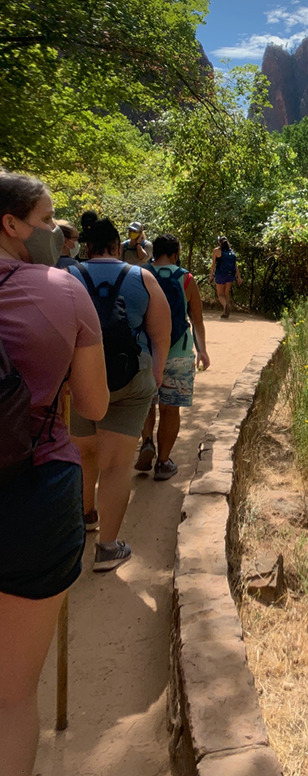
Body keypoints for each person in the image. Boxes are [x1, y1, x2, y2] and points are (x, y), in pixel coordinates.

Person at [0, 171, 109, 776]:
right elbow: (93, 406)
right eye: (45, 221)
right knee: (11, 695)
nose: (53, 233)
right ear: (10, 224)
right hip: (33, 493)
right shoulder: (63, 292)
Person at [67, 218, 171, 570]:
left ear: (87, 247)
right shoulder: (142, 277)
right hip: (131, 378)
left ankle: (86, 517)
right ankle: (108, 549)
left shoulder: (68, 277)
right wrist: (154, 375)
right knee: (115, 466)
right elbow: (161, 334)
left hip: (81, 379)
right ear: (116, 245)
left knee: (85, 456)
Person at [135, 234, 210, 480]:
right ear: (176, 253)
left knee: (147, 403)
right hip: (177, 351)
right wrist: (202, 350)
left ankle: (147, 441)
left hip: (145, 351)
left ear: (154, 252)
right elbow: (196, 318)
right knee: (170, 408)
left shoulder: (139, 274)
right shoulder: (186, 278)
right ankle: (163, 462)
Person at [210, 235, 242, 318]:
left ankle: (225, 306)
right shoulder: (231, 251)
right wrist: (238, 277)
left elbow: (213, 265)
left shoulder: (216, 250)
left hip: (220, 274)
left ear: (219, 243)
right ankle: (225, 313)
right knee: (226, 294)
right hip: (230, 275)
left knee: (220, 295)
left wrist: (211, 276)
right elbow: (235, 265)